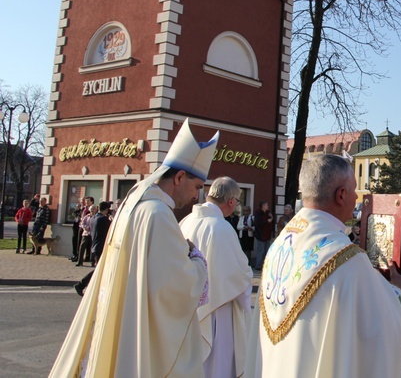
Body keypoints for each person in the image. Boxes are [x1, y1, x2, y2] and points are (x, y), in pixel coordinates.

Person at [50, 119, 217, 376]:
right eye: (196, 187)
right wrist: (196, 260)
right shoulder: (159, 214)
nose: (196, 196)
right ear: (180, 176)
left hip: (119, 315)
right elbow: (176, 288)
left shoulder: (135, 203)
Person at [244, 153, 401, 377]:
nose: (357, 197)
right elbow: (376, 331)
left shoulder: (282, 242)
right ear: (341, 195)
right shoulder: (346, 259)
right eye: (354, 190)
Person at [180, 176, 254, 378]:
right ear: (231, 201)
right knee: (216, 368)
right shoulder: (222, 228)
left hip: (186, 309)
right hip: (216, 312)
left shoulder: (186, 221)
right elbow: (240, 276)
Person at [253, 200, 275, 270]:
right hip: (260, 235)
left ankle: (266, 265)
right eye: (266, 205)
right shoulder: (258, 213)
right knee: (260, 251)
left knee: (267, 251)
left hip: (267, 235)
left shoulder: (268, 213)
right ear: (263, 206)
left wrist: (271, 218)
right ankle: (258, 266)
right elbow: (258, 223)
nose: (267, 206)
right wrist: (267, 221)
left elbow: (271, 222)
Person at [90, 201, 112, 267]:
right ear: (106, 210)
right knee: (100, 268)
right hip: (100, 247)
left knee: (97, 267)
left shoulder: (93, 218)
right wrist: (112, 219)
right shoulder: (103, 219)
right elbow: (111, 228)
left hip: (94, 246)